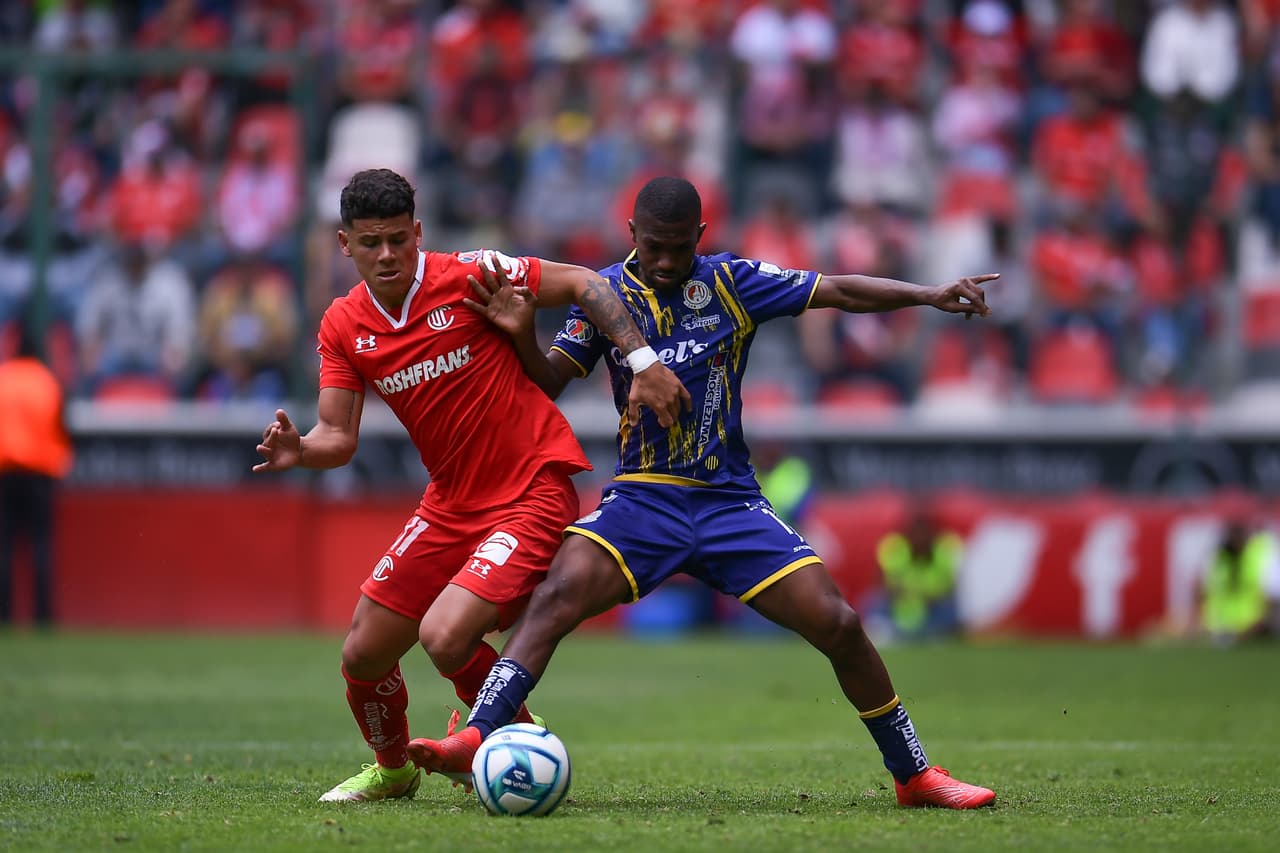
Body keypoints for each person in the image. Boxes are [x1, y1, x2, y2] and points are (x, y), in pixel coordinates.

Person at [406, 176, 998, 808]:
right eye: (654, 246)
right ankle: (478, 734)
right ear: (632, 234)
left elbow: (838, 289)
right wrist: (523, 332)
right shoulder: (602, 294)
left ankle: (915, 776)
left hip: (728, 501)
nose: (665, 261)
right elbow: (548, 382)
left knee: (840, 623)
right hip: (642, 500)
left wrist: (929, 293)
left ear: (701, 236)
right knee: (555, 596)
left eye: (680, 247)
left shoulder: (731, 282)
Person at [252, 168, 689, 802]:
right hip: (450, 503)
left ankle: (516, 739)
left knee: (444, 635)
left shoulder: (471, 275)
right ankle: (395, 771)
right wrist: (301, 452)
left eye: (398, 239)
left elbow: (586, 283)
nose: (387, 255)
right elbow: (337, 437)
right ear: (345, 244)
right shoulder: (343, 325)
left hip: (530, 488)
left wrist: (641, 359)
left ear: (417, 232)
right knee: (363, 654)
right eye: (371, 243)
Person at [0, 321, 73, 627]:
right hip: (40, 472)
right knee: (41, 545)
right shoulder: (47, 381)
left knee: (4, 546)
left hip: (5, 470)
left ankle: (4, 614)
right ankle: (42, 614)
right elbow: (61, 428)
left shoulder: (3, 379)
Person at [874, 506, 964, 641]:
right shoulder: (894, 548)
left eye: (924, 533)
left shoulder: (945, 550)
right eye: (916, 533)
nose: (920, 538)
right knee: (874, 601)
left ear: (932, 534)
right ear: (907, 534)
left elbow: (951, 587)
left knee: (950, 607)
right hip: (900, 605)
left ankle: (938, 635)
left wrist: (927, 597)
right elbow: (882, 584)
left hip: (933, 608)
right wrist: (906, 594)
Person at [1199, 517, 1280, 646]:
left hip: (1255, 630)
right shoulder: (1218, 558)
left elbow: (1272, 600)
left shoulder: (1260, 554)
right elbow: (1202, 592)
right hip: (1218, 630)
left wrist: (1256, 627)